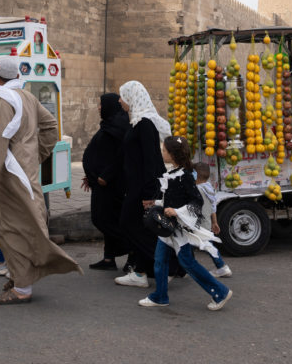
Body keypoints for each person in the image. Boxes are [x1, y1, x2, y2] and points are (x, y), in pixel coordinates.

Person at [0, 58, 81, 304]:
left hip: (11, 174)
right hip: (23, 170)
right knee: (3, 223)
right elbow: (51, 127)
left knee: (10, 226)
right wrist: (34, 156)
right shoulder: (27, 97)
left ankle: (23, 287)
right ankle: (21, 276)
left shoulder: (2, 100)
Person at [139, 136, 232, 310]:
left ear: (173, 154)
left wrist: (176, 212)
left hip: (179, 229)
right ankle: (160, 296)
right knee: (160, 260)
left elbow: (196, 203)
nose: (162, 153)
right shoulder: (174, 174)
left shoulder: (186, 176)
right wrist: (156, 204)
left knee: (188, 263)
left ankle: (220, 292)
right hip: (168, 227)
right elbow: (171, 199)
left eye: (164, 150)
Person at [113, 80, 170, 288]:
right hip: (135, 185)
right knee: (139, 227)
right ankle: (140, 271)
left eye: (123, 96)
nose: (120, 101)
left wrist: (149, 193)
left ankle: (169, 265)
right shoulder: (138, 121)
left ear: (132, 97)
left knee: (129, 224)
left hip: (142, 188)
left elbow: (151, 161)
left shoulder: (145, 123)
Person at [82, 93, 131, 270]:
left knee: (104, 219)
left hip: (111, 183)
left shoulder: (120, 126)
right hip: (100, 181)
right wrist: (92, 174)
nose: (99, 107)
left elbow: (120, 156)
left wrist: (105, 176)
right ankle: (109, 258)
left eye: (101, 104)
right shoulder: (110, 124)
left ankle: (134, 250)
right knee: (109, 218)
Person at [194, 162, 231, 278]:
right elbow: (213, 207)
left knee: (207, 246)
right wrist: (214, 222)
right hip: (206, 223)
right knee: (204, 245)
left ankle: (221, 267)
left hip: (198, 224)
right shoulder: (209, 188)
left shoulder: (197, 190)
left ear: (195, 175)